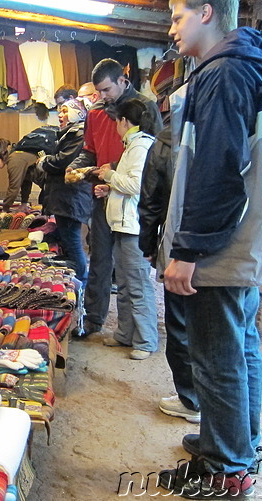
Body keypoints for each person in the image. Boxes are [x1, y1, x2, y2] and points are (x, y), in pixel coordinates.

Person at [159, 0, 262, 497]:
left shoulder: (224, 74)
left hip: (222, 242)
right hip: (248, 237)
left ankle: (225, 469)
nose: (172, 30)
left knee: (216, 358)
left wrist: (187, 250)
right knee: (241, 348)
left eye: (178, 17)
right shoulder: (252, 65)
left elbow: (216, 170)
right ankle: (238, 446)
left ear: (207, 13)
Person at [68, 59, 162, 339]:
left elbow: (155, 156)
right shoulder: (95, 112)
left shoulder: (145, 108)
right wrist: (77, 168)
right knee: (99, 260)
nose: (102, 97)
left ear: (123, 81)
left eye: (106, 90)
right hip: (102, 197)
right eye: (98, 91)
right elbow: (90, 151)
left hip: (133, 202)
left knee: (132, 271)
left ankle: (139, 333)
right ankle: (95, 321)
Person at [138, 79, 200, 422]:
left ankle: (191, 400)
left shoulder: (168, 140)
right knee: (226, 335)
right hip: (222, 251)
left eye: (178, 19)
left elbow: (151, 196)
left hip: (182, 244)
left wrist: (148, 245)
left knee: (180, 325)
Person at [93, 99, 158, 360]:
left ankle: (146, 339)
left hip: (134, 228)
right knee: (124, 284)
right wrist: (110, 189)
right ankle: (125, 333)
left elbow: (136, 185)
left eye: (116, 122)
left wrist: (109, 176)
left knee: (138, 284)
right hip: (123, 225)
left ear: (123, 121)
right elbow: (129, 186)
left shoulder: (141, 146)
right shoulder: (132, 146)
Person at [35, 98, 91, 284]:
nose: (60, 115)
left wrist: (45, 162)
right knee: (69, 240)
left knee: (73, 241)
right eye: (60, 111)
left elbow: (64, 161)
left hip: (71, 196)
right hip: (67, 196)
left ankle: (81, 280)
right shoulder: (72, 133)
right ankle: (77, 279)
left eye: (66, 111)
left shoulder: (79, 134)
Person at [0, 127, 57, 213]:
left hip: (53, 184)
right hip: (51, 182)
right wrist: (24, 203)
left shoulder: (14, 160)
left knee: (47, 210)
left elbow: (13, 188)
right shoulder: (17, 156)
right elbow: (26, 180)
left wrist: (5, 210)